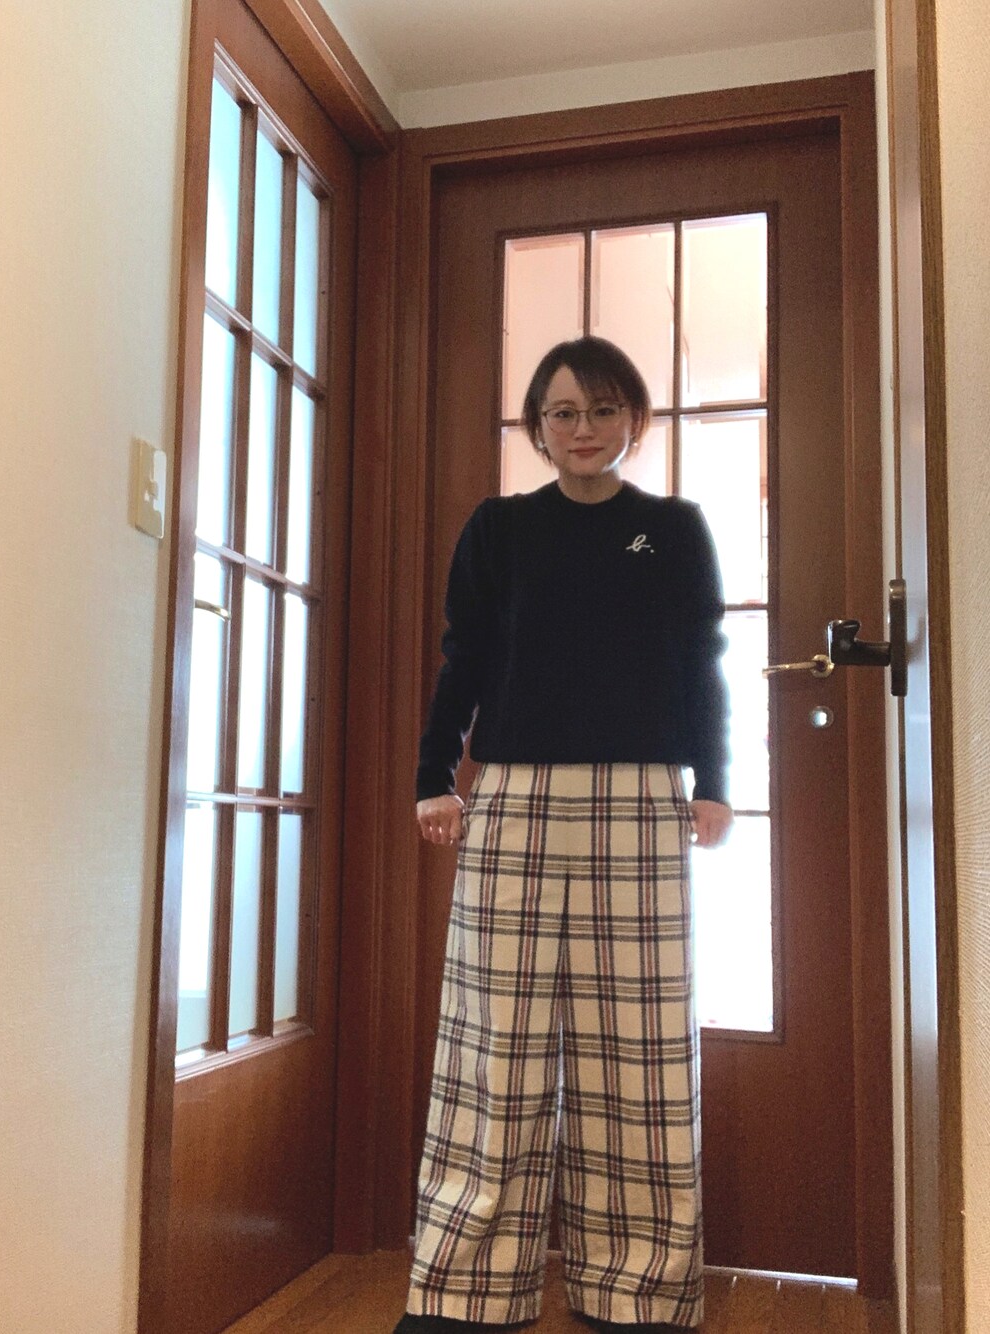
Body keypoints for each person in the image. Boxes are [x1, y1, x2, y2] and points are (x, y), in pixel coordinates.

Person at [394, 336, 732, 1334]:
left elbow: (701, 660)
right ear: (537, 427)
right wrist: (432, 778)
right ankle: (464, 1288)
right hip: (514, 796)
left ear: (634, 418)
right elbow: (462, 659)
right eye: (563, 412)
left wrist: (714, 782)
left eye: (603, 409)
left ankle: (640, 1291)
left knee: (640, 1051)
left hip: (641, 799)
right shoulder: (498, 529)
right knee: (493, 1042)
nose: (584, 429)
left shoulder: (673, 529)